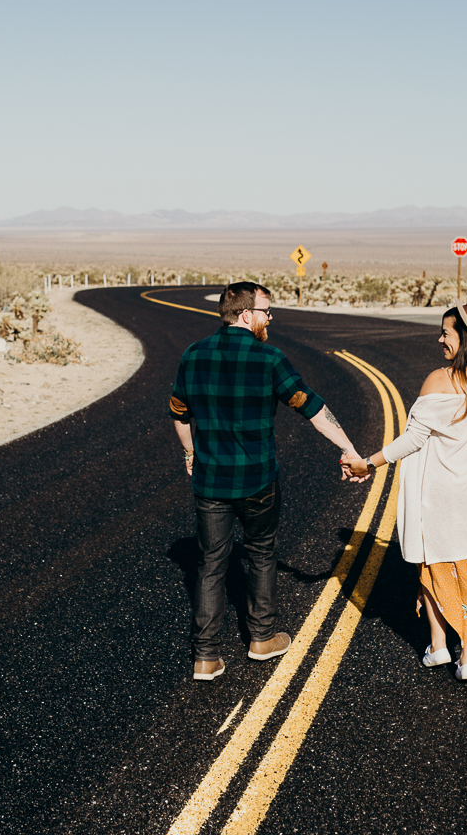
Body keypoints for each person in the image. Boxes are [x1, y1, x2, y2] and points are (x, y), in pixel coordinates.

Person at [170, 281, 361, 682]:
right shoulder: (269, 358)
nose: (269, 320)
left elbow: (179, 411)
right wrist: (349, 449)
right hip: (258, 480)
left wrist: (190, 454)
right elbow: (311, 407)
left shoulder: (193, 355)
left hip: (210, 481)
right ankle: (261, 638)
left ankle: (206, 657)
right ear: (246, 315)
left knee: (209, 564)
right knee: (260, 554)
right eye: (266, 313)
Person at [342, 298, 467, 682]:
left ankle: (439, 645)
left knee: (435, 568)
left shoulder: (439, 381)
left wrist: (368, 463)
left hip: (447, 501)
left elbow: (411, 441)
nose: (440, 339)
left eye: (446, 333)